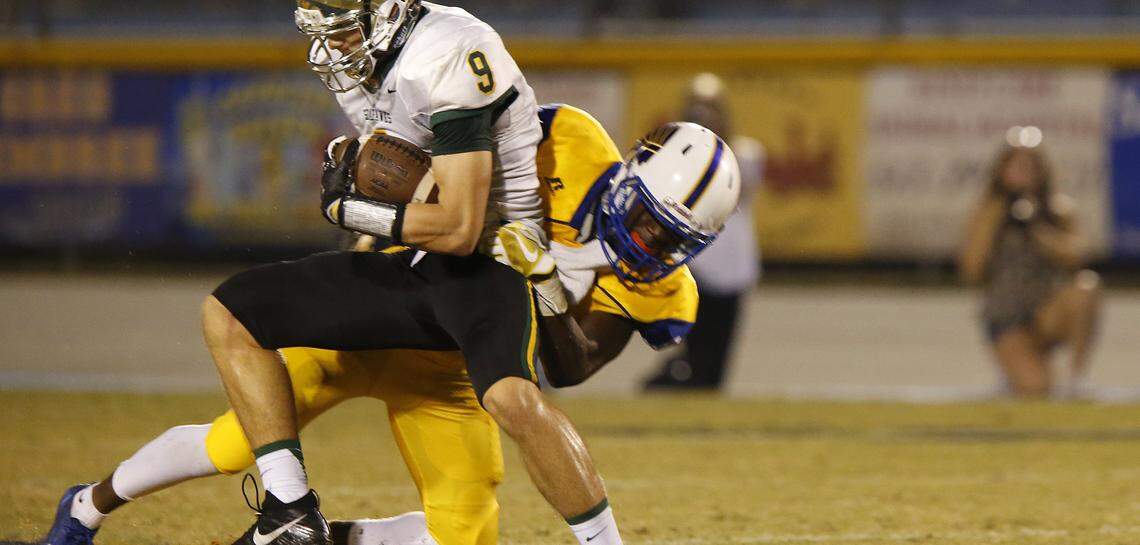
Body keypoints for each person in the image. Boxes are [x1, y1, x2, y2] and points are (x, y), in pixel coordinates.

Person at [42, 107, 741, 545]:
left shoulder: (663, 289)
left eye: (673, 238)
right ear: (630, 172)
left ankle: (322, 538)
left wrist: (552, 289)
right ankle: (90, 505)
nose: (650, 241)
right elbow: (455, 173)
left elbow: (571, 367)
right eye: (648, 216)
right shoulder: (569, 142)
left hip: (458, 364)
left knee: (469, 530)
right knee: (232, 444)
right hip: (386, 306)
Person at [959, 126, 1102, 398]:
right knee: (1036, 389)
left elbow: (1077, 255)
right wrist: (998, 219)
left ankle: (1077, 378)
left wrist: (1036, 228)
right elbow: (971, 270)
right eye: (1016, 166)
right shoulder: (988, 210)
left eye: (1030, 166)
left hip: (1046, 311)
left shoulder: (1057, 209)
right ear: (1002, 170)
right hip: (1008, 316)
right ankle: (1013, 371)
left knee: (1086, 289)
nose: (1023, 173)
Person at [644, 73, 763, 390]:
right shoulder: (674, 155)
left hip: (734, 269)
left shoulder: (745, 154)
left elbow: (737, 183)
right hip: (695, 266)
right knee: (694, 353)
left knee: (716, 368)